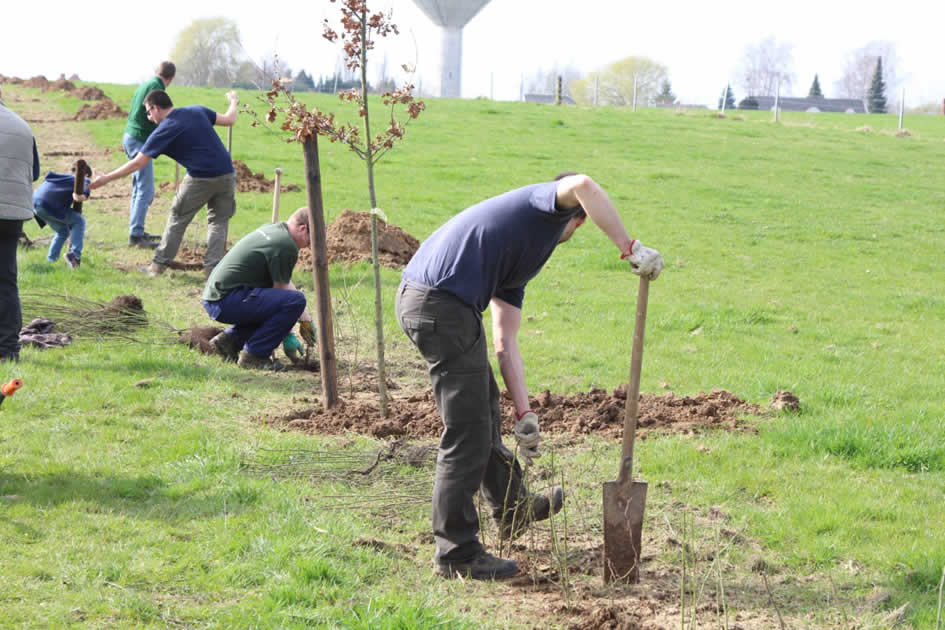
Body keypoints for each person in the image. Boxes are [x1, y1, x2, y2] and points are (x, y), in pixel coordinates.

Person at [395, 172, 664, 580]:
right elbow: (584, 184)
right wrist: (630, 249)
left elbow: (505, 342)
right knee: (467, 431)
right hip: (439, 303)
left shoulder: (521, 256)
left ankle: (513, 507)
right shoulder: (545, 208)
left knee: (483, 409)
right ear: (581, 217)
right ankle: (456, 553)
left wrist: (525, 415)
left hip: (441, 306)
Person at [91, 89, 238, 278]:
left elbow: (138, 162)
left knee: (178, 218)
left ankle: (157, 267)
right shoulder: (197, 110)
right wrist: (233, 100)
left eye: (148, 112)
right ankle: (212, 272)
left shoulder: (166, 128)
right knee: (218, 222)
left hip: (201, 177)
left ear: (156, 108)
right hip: (227, 173)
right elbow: (229, 119)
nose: (148, 117)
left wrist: (106, 178)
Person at [201, 207, 317, 371]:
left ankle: (227, 343)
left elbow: (282, 283)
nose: (308, 247)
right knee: (295, 301)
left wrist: (305, 318)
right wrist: (288, 333)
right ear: (303, 228)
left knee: (284, 302)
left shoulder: (275, 229)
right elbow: (282, 293)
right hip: (226, 300)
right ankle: (254, 356)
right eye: (310, 241)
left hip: (218, 296)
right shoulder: (286, 245)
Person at [0, 85, 41, 362]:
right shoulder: (22, 125)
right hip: (13, 213)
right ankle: (8, 350)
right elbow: (35, 172)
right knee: (6, 281)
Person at [123, 61, 175, 248]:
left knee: (139, 188)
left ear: (157, 71)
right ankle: (136, 237)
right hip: (138, 139)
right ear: (171, 78)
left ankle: (136, 230)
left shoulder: (147, 83)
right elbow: (155, 115)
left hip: (131, 136)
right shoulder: (157, 88)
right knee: (145, 189)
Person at [32, 161, 93, 268]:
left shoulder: (60, 178)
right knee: (79, 221)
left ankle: (50, 261)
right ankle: (75, 256)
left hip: (35, 205)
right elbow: (81, 195)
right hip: (49, 206)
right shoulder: (83, 179)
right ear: (86, 175)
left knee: (62, 231)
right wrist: (81, 197)